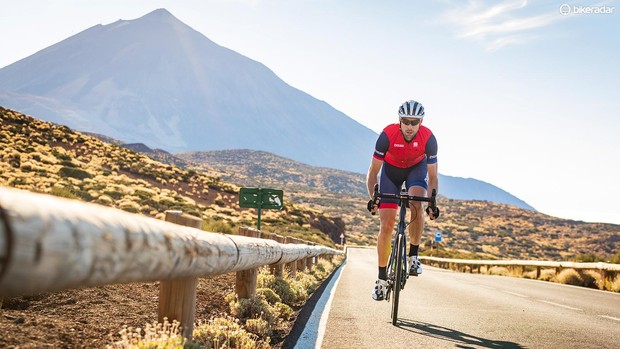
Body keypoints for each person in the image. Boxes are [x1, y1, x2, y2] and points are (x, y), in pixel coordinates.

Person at [366, 99, 439, 301]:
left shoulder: (429, 139)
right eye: (405, 121)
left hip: (416, 170)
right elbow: (373, 172)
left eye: (414, 122)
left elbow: (432, 178)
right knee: (387, 224)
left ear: (421, 122)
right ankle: (381, 280)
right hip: (391, 172)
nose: (409, 126)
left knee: (417, 203)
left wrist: (431, 204)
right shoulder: (387, 135)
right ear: (399, 119)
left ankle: (413, 255)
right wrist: (374, 198)